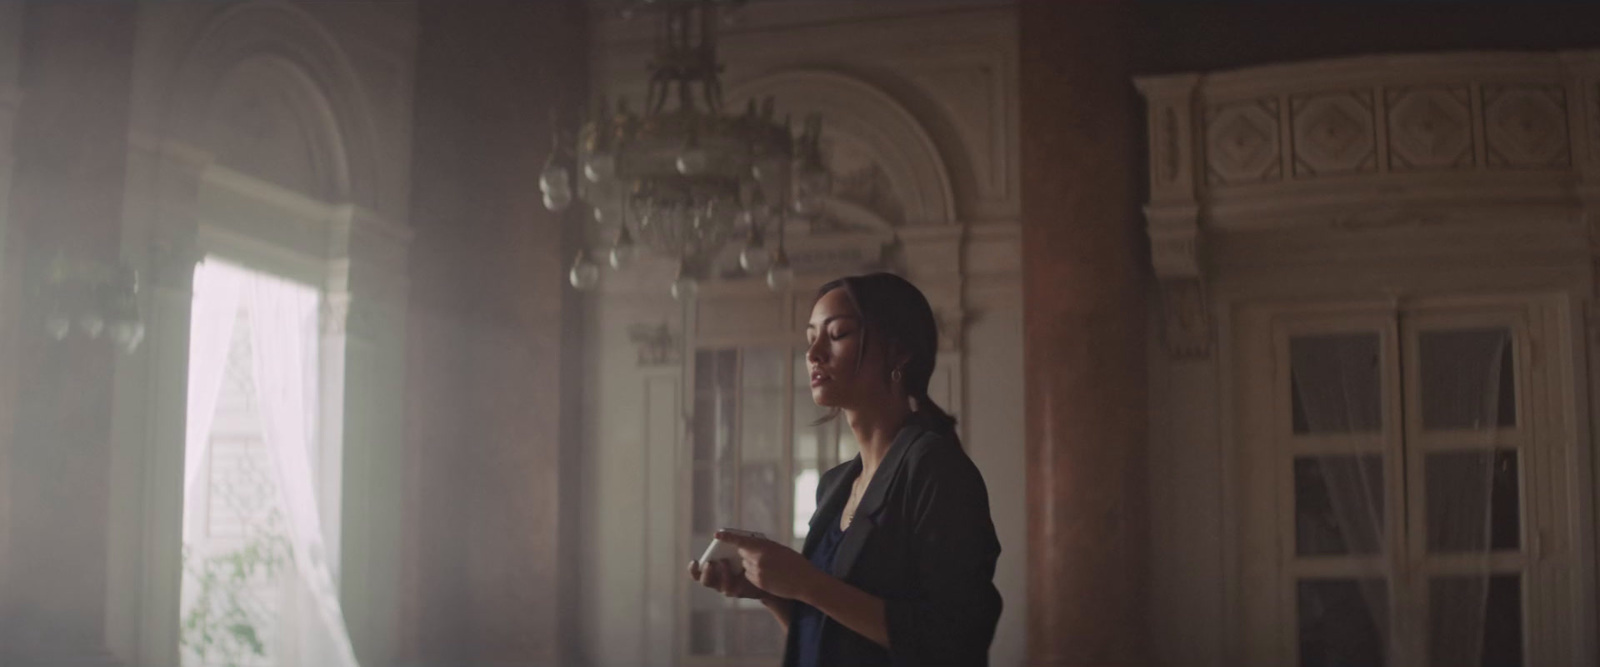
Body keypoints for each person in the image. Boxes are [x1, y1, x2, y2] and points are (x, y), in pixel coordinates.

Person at [687, 272, 1003, 666]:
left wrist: (806, 583)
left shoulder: (934, 470)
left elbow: (955, 642)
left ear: (899, 351)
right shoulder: (834, 485)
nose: (814, 353)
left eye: (837, 335)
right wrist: (769, 591)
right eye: (810, 339)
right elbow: (833, 641)